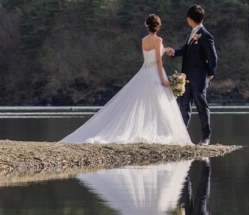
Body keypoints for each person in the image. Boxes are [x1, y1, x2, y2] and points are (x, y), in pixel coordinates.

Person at [61, 14, 191, 144]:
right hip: (154, 73)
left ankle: (146, 128)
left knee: (144, 102)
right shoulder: (158, 40)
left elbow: (149, 56)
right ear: (158, 26)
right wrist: (163, 79)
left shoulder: (144, 39)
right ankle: (157, 130)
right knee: (156, 101)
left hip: (145, 71)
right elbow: (158, 60)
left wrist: (164, 50)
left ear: (147, 26)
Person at [165, 4, 217, 146]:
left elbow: (213, 57)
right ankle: (181, 136)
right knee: (184, 106)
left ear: (190, 19)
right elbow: (185, 50)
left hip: (199, 77)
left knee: (201, 105)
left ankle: (206, 137)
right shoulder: (192, 33)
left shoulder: (205, 35)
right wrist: (174, 52)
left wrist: (211, 72)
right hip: (187, 77)